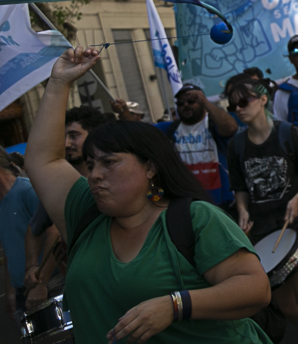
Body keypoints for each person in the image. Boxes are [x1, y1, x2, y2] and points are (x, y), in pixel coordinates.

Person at [24, 47, 273, 343]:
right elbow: (43, 160)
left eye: (109, 162)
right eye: (91, 165)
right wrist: (58, 82)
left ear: (150, 167)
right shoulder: (83, 212)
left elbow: (256, 289)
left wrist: (175, 305)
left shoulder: (195, 218)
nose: (94, 175)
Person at [226, 76, 298, 344]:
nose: (238, 108)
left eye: (243, 101)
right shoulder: (236, 145)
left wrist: (297, 199)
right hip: (264, 229)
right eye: (233, 105)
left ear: (263, 99)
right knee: (285, 305)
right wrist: (242, 210)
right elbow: (240, 188)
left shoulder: (289, 133)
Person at [23, 106, 117, 307]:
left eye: (74, 136)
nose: (66, 143)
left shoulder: (116, 181)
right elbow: (35, 228)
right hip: (85, 294)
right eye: (63, 137)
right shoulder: (57, 188)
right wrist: (32, 265)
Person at [157, 83, 238, 206]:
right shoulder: (169, 129)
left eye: (191, 101)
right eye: (181, 102)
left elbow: (231, 128)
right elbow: (138, 132)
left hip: (221, 202)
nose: (185, 105)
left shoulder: (213, 125)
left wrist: (205, 102)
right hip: (188, 202)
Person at [1, 146, 47, 323]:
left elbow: (55, 235)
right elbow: (9, 248)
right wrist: (10, 290)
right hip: (22, 290)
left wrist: (42, 283)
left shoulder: (27, 190)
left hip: (44, 284)